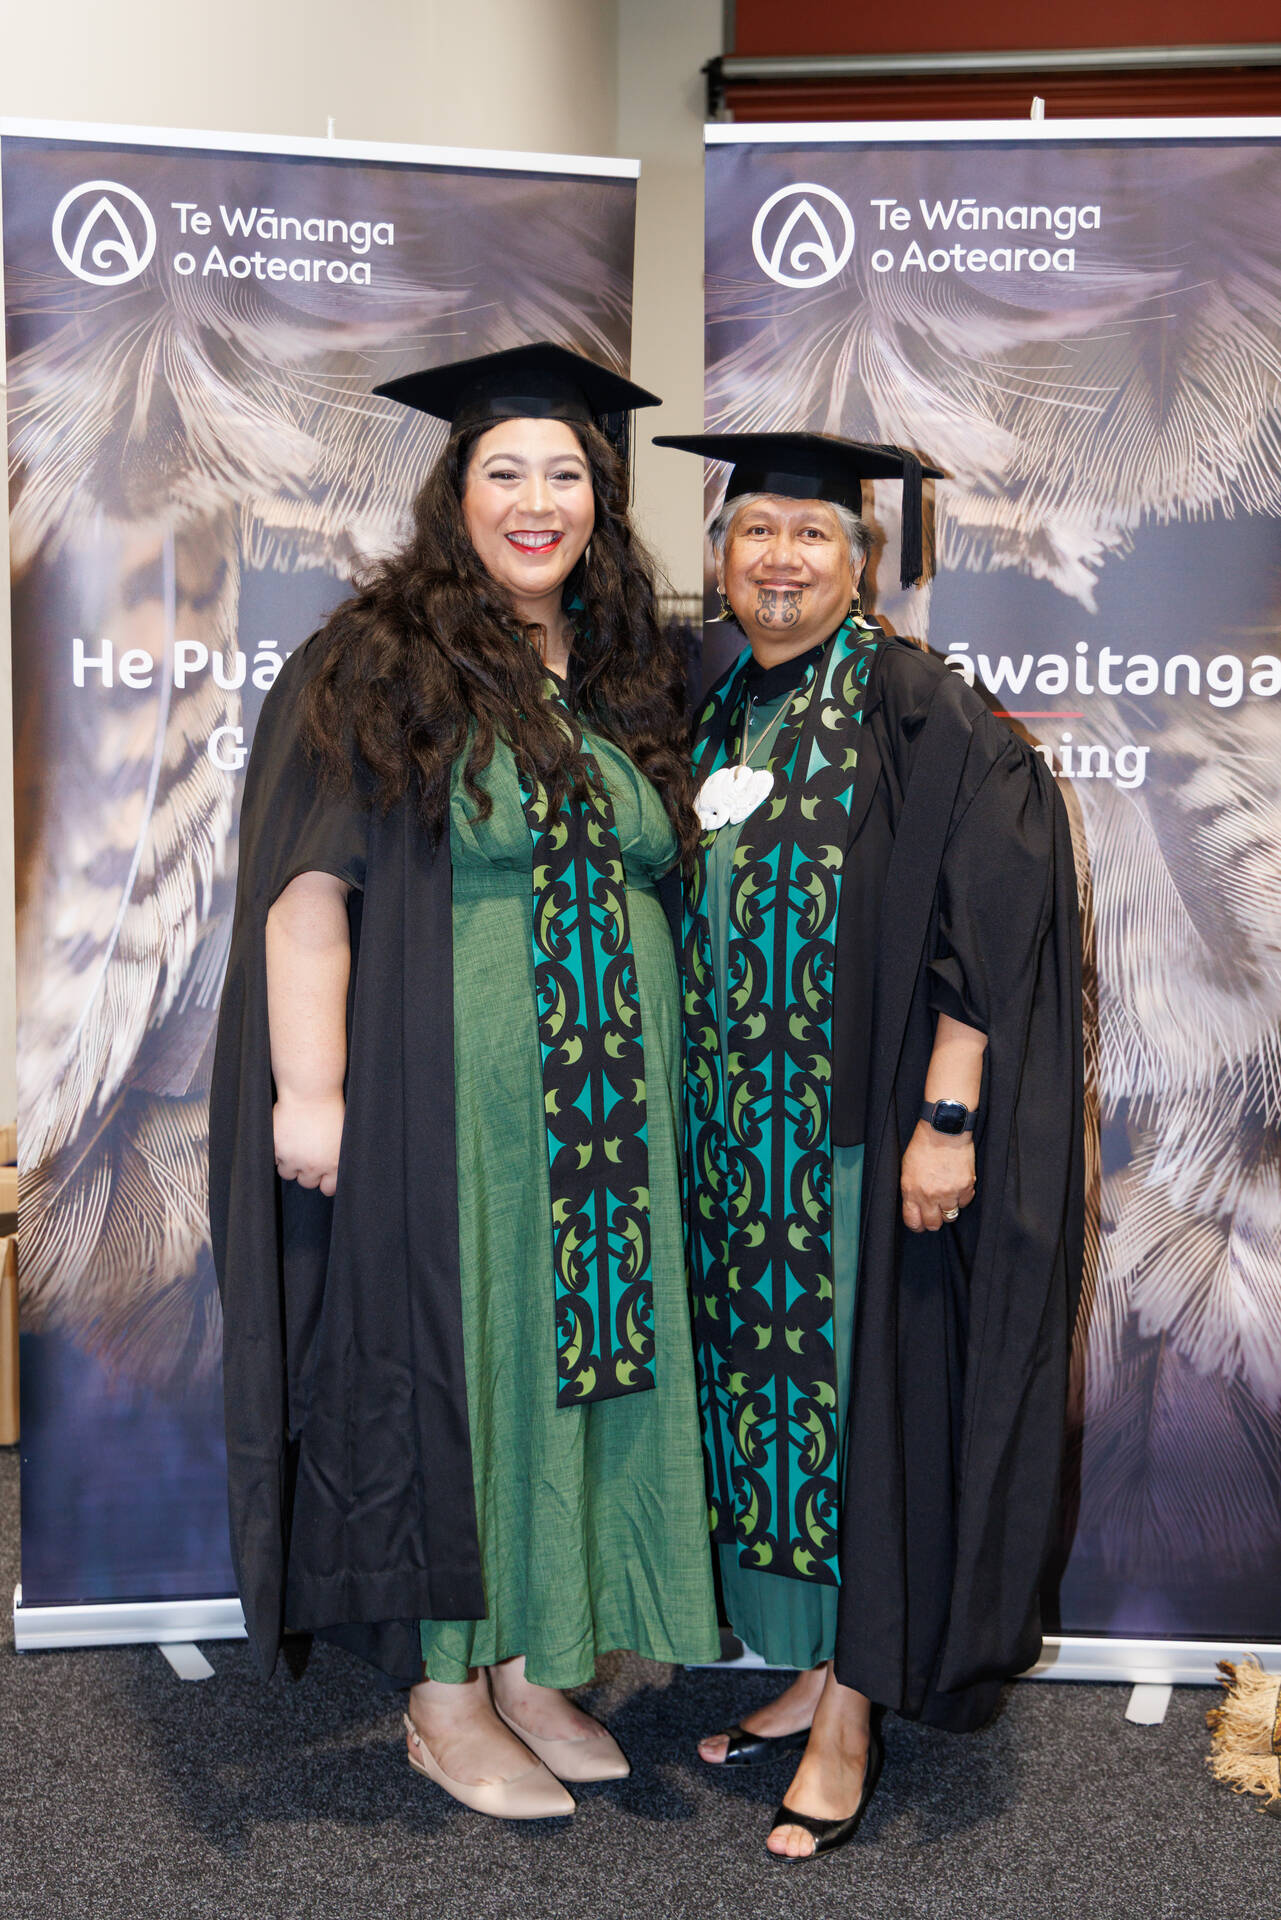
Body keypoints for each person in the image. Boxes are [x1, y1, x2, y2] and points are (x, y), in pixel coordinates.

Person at [209, 344, 721, 1823]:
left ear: (599, 500)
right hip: (459, 1112)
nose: (536, 500)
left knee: (575, 1374)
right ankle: (444, 1693)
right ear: (457, 494)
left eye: (564, 473)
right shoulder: (376, 660)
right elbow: (308, 890)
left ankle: (534, 1657)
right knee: (470, 1377)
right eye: (506, 471)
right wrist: (313, 1095)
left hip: (607, 1116)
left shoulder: (625, 664)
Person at [653, 430, 1084, 1862]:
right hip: (739, 1154)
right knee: (769, 1419)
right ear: (721, 555)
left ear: (861, 561)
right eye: (754, 531)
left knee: (855, 1420)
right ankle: (810, 1666)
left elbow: (992, 909)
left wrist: (946, 1116)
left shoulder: (914, 706)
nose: (778, 557)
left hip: (851, 1147)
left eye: (812, 535)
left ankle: (850, 1718)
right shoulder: (723, 706)